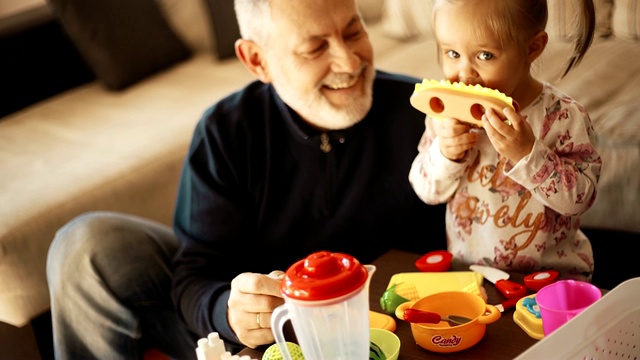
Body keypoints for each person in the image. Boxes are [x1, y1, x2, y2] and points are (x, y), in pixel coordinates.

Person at [46, 0, 447, 358]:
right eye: (315, 48)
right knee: (86, 245)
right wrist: (228, 312)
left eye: (354, 31)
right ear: (258, 60)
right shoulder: (226, 131)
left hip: (386, 330)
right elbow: (193, 276)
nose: (349, 61)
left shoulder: (427, 118)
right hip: (256, 344)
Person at [408, 0, 601, 281]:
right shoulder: (445, 117)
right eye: (452, 53)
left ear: (531, 48)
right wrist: (445, 155)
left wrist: (528, 155)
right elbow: (426, 190)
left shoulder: (563, 117)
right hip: (471, 276)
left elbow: (581, 198)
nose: (464, 74)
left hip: (551, 281)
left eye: (485, 55)